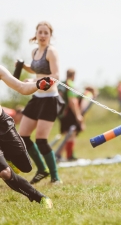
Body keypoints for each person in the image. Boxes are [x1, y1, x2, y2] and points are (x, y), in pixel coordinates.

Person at [0, 64, 54, 208]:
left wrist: (38, 84)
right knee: (5, 173)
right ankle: (40, 198)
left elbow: (21, 88)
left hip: (2, 124)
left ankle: (7, 156)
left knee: (25, 167)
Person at [18, 21, 64, 185]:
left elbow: (56, 75)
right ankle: (41, 170)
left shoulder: (52, 52)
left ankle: (55, 177)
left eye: (46, 33)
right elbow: (36, 69)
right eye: (40, 32)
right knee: (22, 136)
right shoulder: (35, 51)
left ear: (50, 36)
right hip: (36, 98)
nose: (43, 35)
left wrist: (38, 81)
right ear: (36, 34)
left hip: (50, 100)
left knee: (41, 140)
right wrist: (25, 68)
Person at [57, 69, 96, 161]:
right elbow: (73, 101)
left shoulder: (60, 84)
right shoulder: (70, 84)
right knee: (71, 134)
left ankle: (64, 155)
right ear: (74, 75)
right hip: (68, 113)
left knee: (69, 134)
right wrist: (78, 115)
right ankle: (67, 155)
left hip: (60, 113)